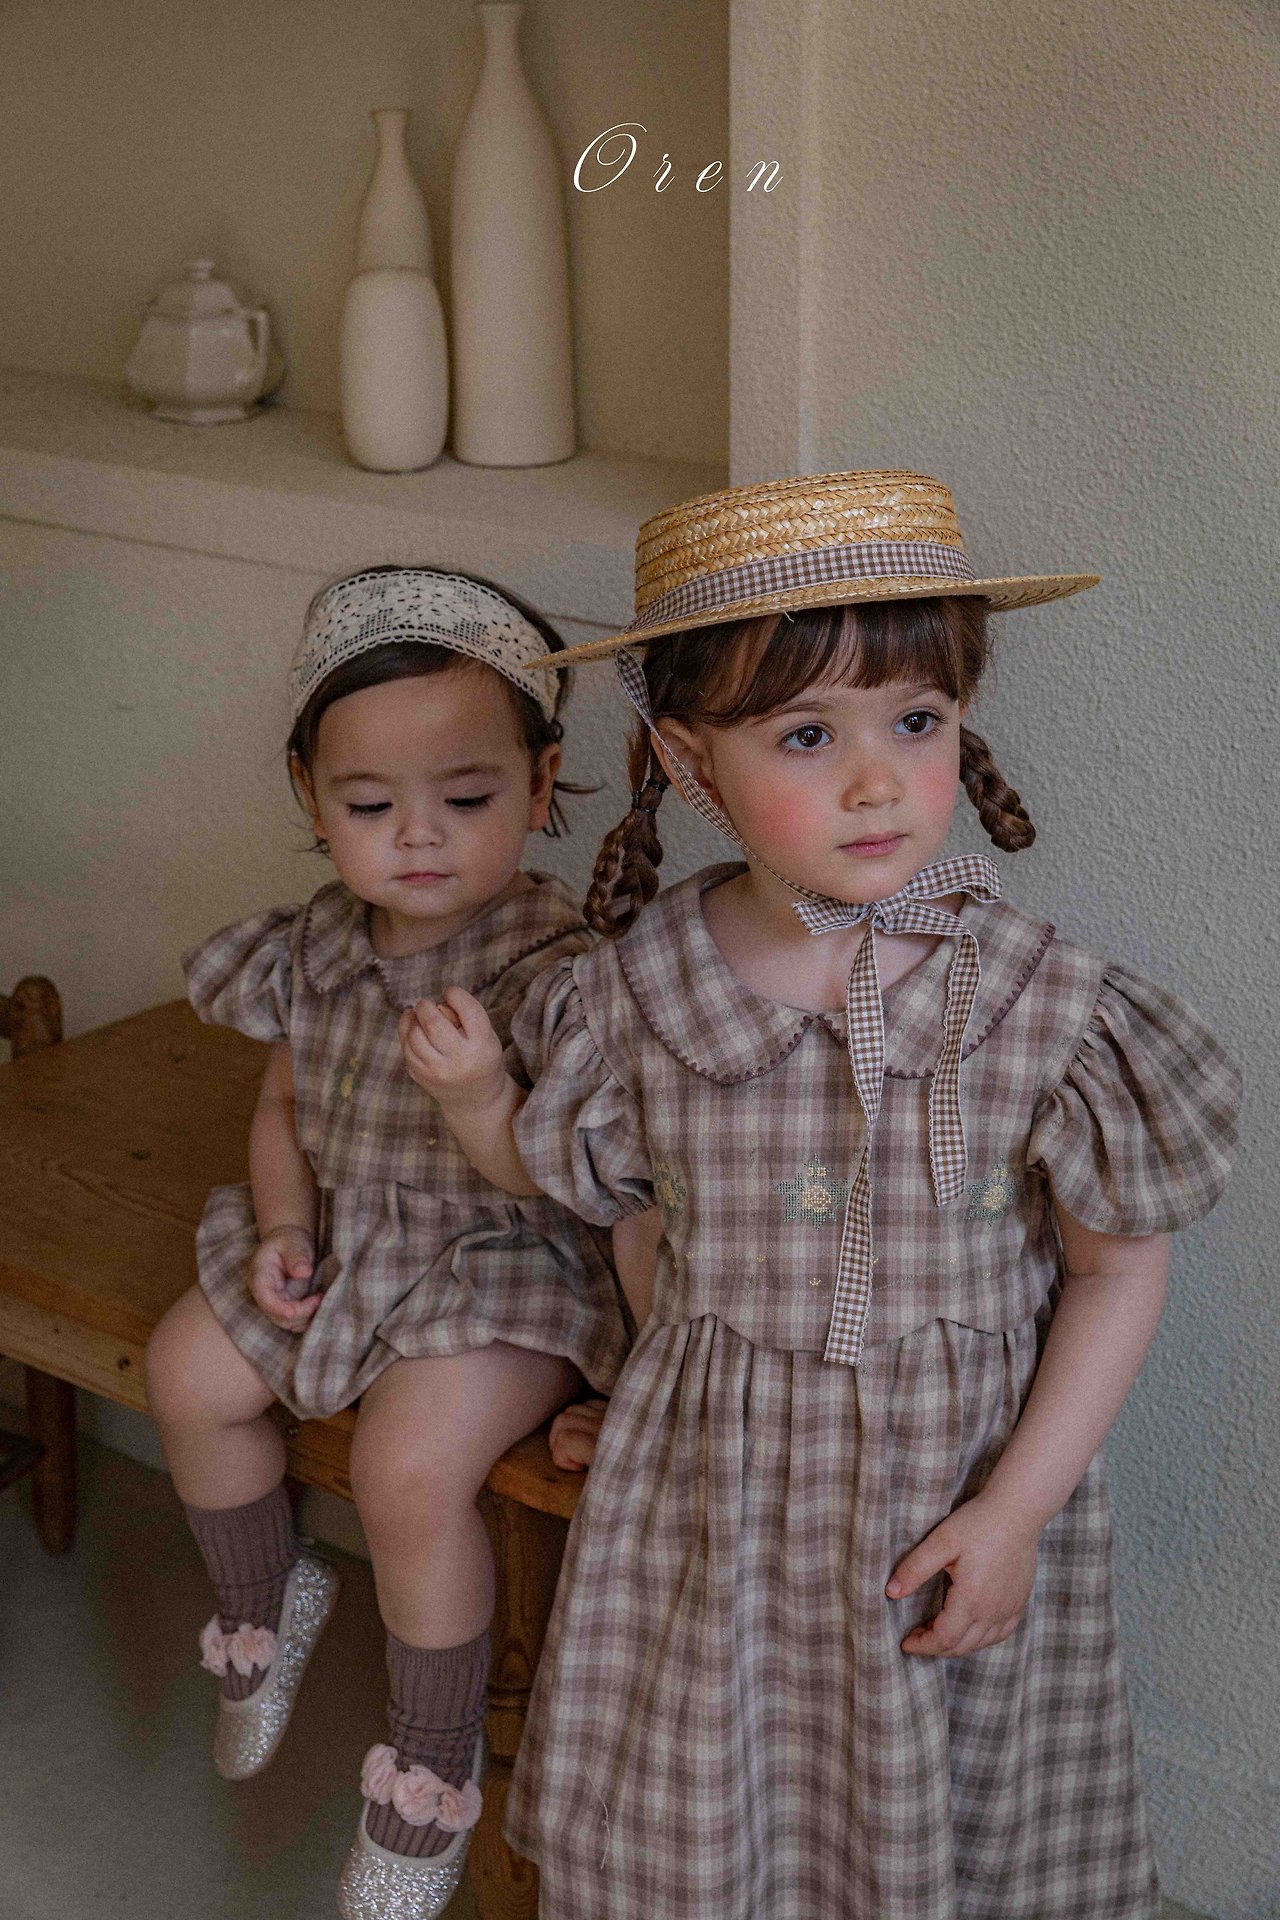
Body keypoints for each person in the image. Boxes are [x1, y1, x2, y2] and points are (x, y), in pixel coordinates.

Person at [398, 472, 1242, 1920]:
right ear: (691, 760)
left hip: (956, 1497)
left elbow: (1117, 1271)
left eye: (916, 721)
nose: (876, 782)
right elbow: (642, 1221)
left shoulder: (1042, 1003)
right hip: (715, 1515)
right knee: (719, 1815)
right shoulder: (633, 996)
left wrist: (1016, 1514)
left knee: (942, 1823)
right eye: (806, 735)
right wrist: (648, 1370)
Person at [144, 565, 634, 1920]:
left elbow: (587, 1179)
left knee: (406, 1468)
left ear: (540, 786)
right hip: (352, 1238)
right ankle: (264, 1605)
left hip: (506, 1261)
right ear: (311, 798)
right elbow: (283, 1106)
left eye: (467, 799)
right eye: (370, 807)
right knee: (186, 1370)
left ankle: (428, 1771)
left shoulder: (556, 964)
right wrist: (284, 1227)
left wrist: (480, 1097)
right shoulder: (314, 944)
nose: (419, 837)